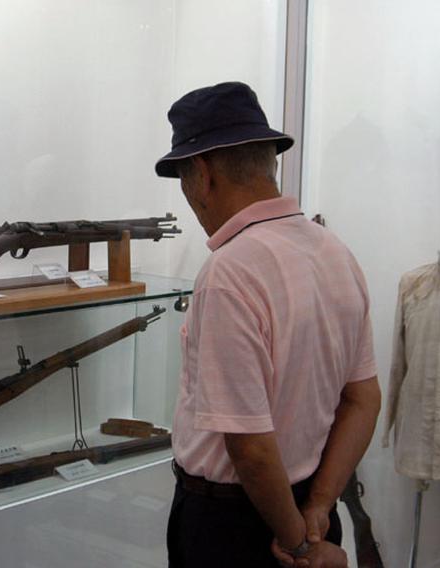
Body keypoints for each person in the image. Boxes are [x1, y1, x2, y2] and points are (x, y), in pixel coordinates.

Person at [157, 82, 381, 567]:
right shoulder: (335, 251)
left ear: (201, 172)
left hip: (238, 529)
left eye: (183, 178)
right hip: (309, 512)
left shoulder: (229, 272)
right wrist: (319, 508)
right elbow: (364, 398)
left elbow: (252, 449)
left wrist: (297, 543)